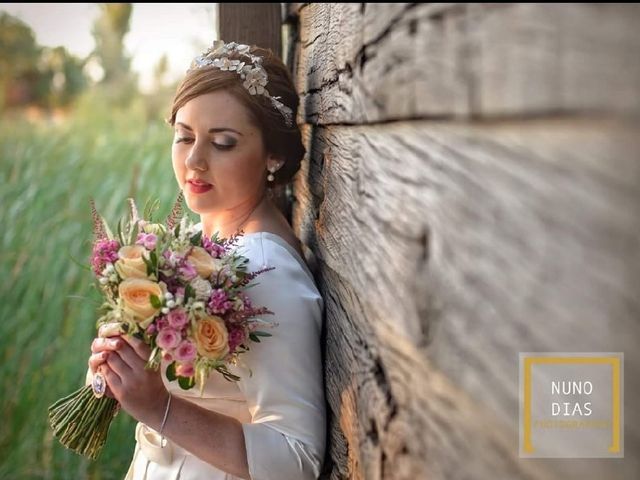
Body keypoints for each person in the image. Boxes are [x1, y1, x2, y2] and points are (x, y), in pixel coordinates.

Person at [87, 40, 327, 480]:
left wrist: (160, 408)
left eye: (222, 143)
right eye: (184, 136)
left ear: (272, 155)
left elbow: (298, 457)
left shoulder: (265, 269)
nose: (194, 161)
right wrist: (124, 369)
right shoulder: (195, 244)